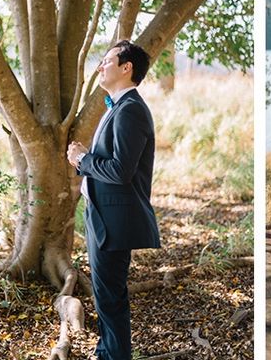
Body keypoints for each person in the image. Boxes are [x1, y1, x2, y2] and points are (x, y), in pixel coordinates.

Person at [67, 40, 161, 360]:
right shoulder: (118, 106)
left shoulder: (131, 109)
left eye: (106, 61)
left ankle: (115, 355)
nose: (99, 66)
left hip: (114, 220)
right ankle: (107, 351)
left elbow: (121, 171)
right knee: (105, 295)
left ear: (126, 68)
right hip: (101, 214)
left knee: (110, 298)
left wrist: (83, 159)